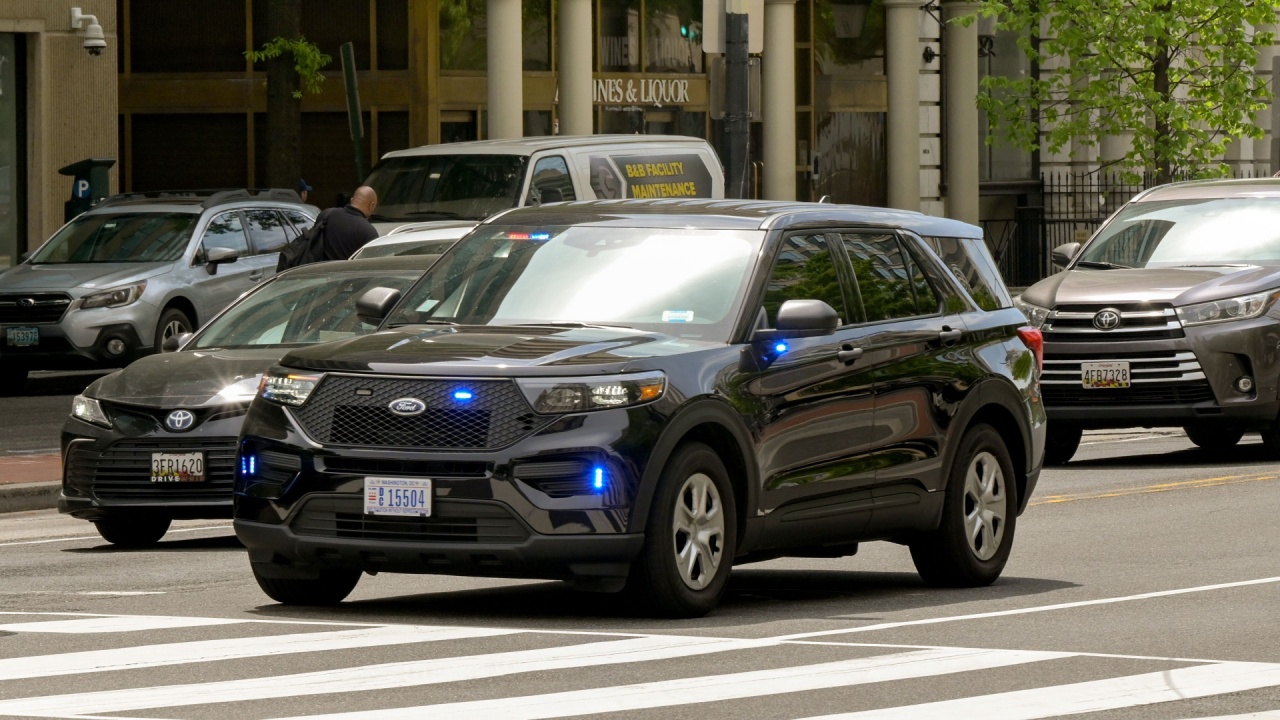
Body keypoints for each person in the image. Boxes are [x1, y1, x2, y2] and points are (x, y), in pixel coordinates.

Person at [318, 186, 380, 261]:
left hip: (317, 270)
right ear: (371, 205)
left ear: (351, 200)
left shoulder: (326, 215)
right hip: (347, 271)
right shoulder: (368, 231)